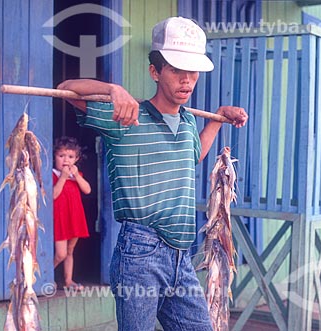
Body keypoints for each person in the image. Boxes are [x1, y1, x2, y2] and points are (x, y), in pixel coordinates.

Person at [58, 16, 248, 331]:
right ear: (155, 72)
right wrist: (111, 89)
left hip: (181, 256)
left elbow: (190, 157)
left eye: (192, 72)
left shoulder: (188, 121)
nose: (187, 80)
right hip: (140, 255)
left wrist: (216, 120)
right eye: (176, 70)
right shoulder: (126, 115)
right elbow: (66, 90)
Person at [52, 136, 92, 290]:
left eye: (70, 157)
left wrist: (75, 175)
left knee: (70, 251)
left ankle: (68, 281)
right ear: (55, 156)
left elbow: (87, 190)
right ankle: (43, 276)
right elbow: (54, 195)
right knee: (60, 254)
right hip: (60, 218)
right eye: (61, 156)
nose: (66, 160)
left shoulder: (77, 175)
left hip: (74, 217)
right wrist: (63, 177)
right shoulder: (54, 174)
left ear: (76, 159)